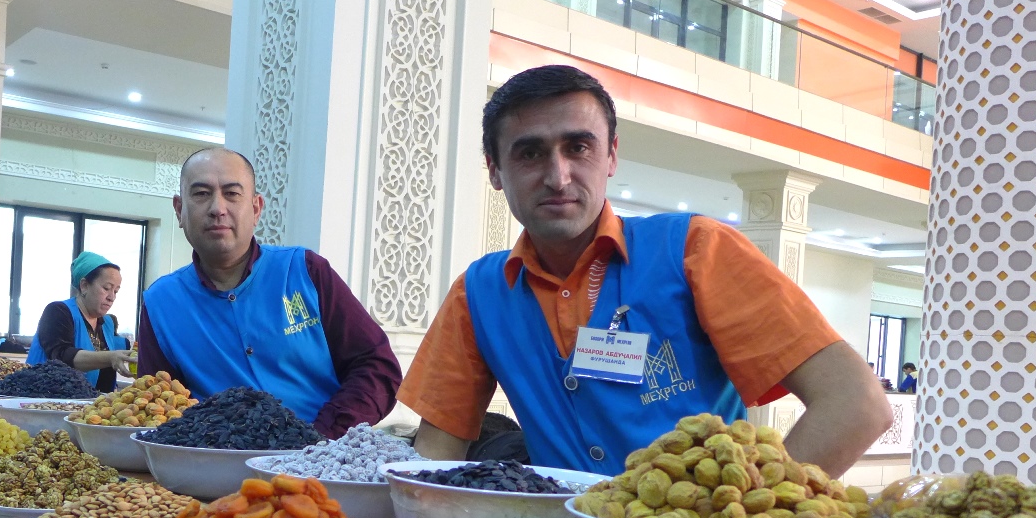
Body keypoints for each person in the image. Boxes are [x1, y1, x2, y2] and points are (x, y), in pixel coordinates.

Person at [398, 64, 892, 477]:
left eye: (579, 147)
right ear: (495, 171)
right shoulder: (481, 293)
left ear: (611, 155)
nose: (558, 175)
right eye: (529, 153)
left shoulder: (697, 250)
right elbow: (436, 453)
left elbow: (856, 405)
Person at [137, 147, 402, 438]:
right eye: (201, 193)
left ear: (256, 208)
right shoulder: (161, 303)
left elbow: (376, 366)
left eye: (232, 193)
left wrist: (321, 438)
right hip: (218, 470)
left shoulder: (304, 271)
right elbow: (156, 407)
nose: (217, 208)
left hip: (324, 461)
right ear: (179, 210)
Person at [26, 251, 132, 390]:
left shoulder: (107, 323)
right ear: (84, 286)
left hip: (91, 407)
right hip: (46, 400)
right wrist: (110, 358)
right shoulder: (59, 311)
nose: (111, 297)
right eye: (106, 288)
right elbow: (61, 357)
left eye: (116, 291)